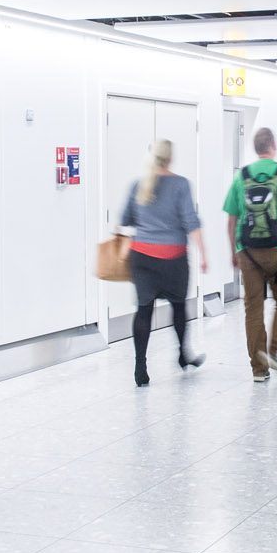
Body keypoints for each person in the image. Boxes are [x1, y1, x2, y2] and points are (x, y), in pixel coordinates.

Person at [223, 128, 277, 382]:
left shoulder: (242, 176)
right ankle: (274, 351)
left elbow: (231, 219)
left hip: (248, 252)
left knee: (253, 308)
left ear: (255, 147)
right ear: (273, 145)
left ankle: (259, 370)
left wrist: (234, 251)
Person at [121, 139, 208, 387]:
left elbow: (125, 218)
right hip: (173, 258)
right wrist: (204, 254)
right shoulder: (181, 184)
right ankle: (183, 354)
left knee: (144, 309)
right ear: (170, 158)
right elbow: (191, 222)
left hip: (142, 257)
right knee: (178, 307)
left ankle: (140, 367)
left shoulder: (137, 185)